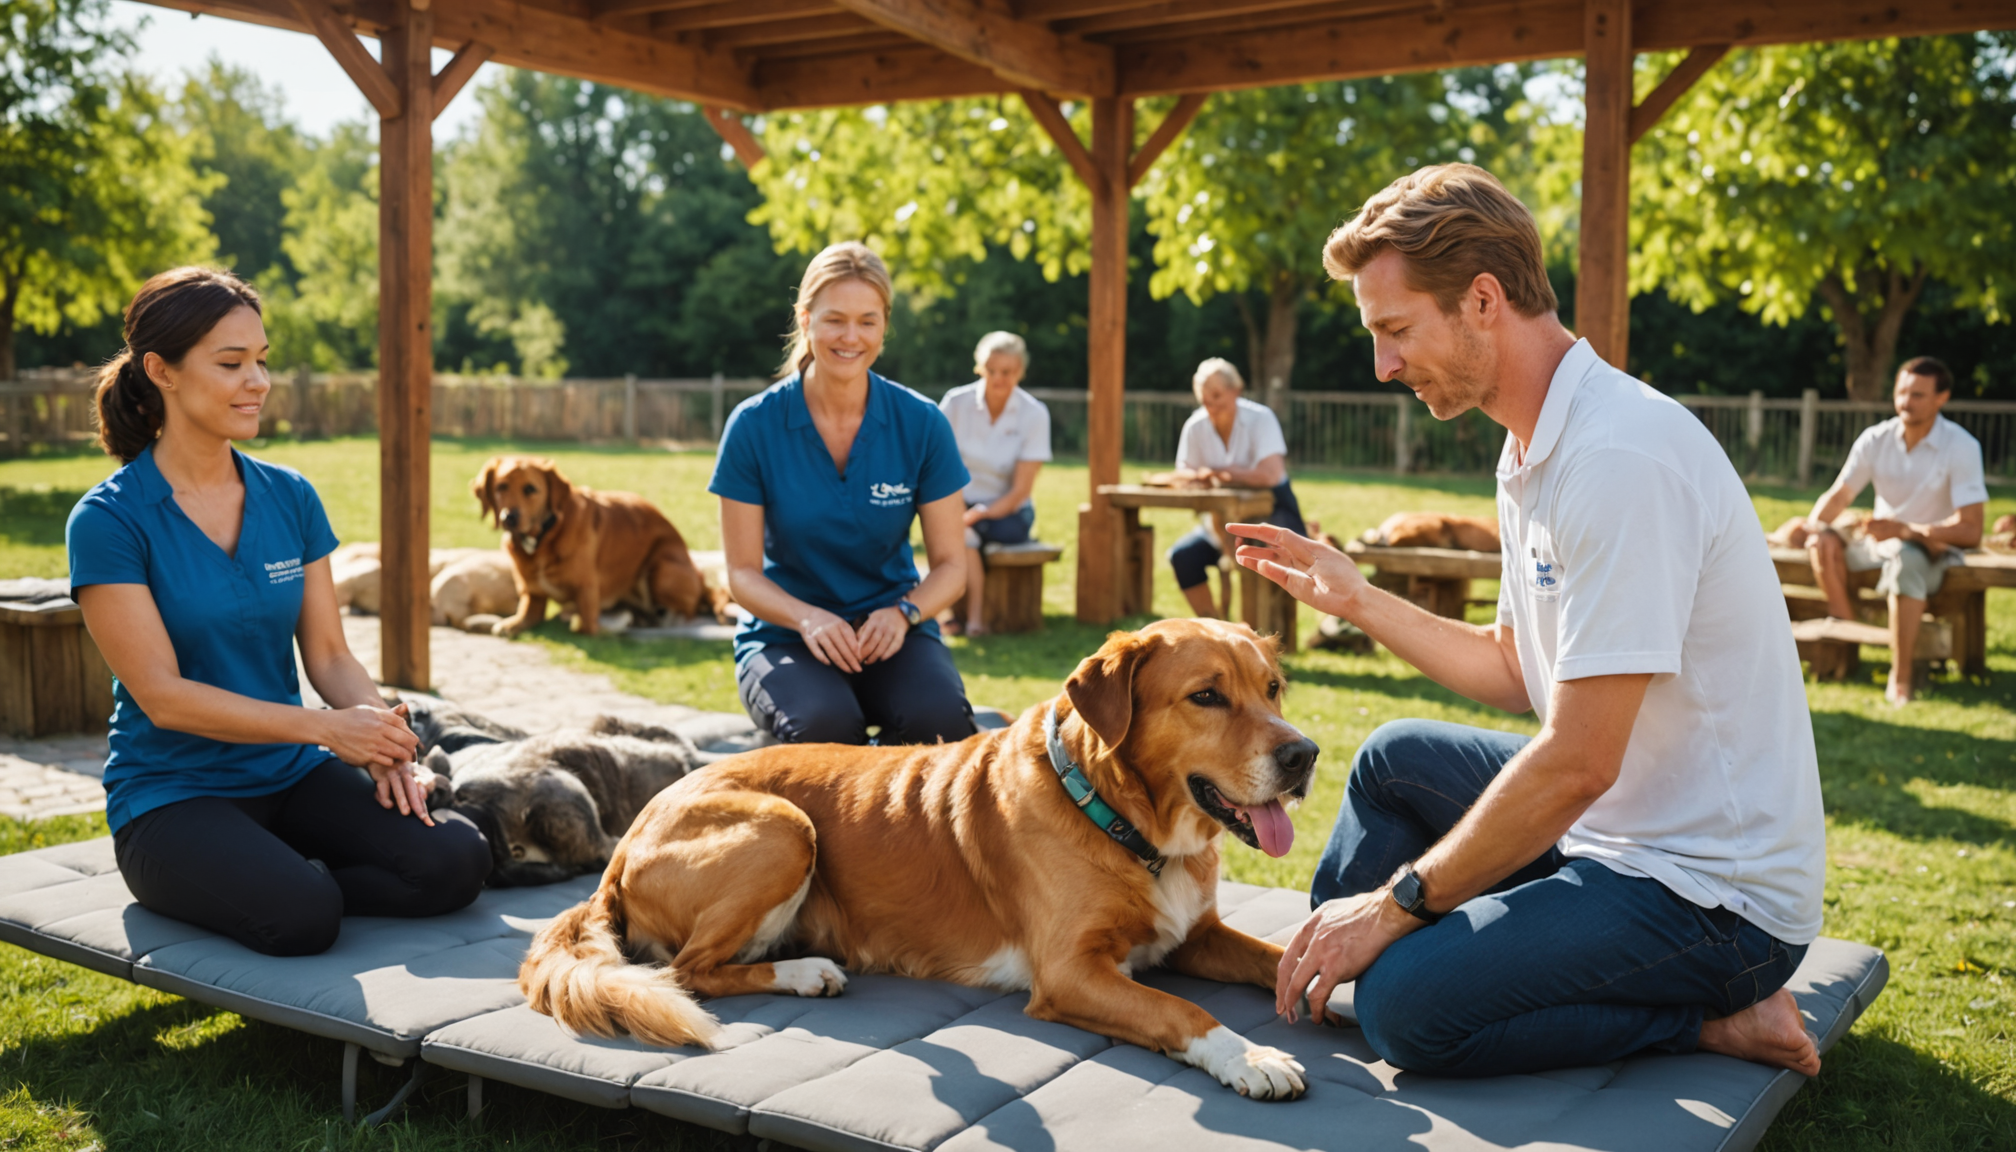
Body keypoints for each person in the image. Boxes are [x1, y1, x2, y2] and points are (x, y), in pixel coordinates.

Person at [1227, 164, 1827, 1080]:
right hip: (1613, 828)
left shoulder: (1618, 457)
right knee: (1392, 759)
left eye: (1394, 330)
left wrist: (1397, 909)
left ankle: (1708, 1020)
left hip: (1712, 897)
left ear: (1481, 300)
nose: (1382, 365)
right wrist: (1357, 598)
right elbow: (1518, 666)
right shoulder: (1531, 449)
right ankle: (1402, 950)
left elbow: (1580, 759)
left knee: (1405, 1007)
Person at [67, 267, 490, 958]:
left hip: (287, 774)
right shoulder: (109, 521)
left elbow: (328, 656)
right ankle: (283, 880)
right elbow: (163, 697)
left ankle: (286, 870)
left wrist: (383, 743)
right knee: (303, 917)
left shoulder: (290, 497)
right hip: (172, 797)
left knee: (458, 860)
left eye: (261, 360)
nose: (258, 381)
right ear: (160, 371)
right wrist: (328, 731)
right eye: (232, 363)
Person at [711, 242, 976, 745]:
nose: (851, 337)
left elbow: (951, 567)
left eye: (867, 321)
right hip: (786, 633)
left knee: (939, 724)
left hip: (892, 629)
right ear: (805, 318)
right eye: (835, 320)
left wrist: (904, 614)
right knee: (824, 729)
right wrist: (807, 617)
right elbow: (742, 575)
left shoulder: (921, 423)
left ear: (884, 325)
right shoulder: (753, 425)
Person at [1801, 357, 1986, 704]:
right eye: (1901, 392)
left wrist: (1907, 530)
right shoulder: (1876, 438)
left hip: (1934, 552)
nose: (1905, 402)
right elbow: (1841, 493)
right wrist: (1815, 525)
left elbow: (1971, 530)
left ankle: (1899, 679)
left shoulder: (1961, 446)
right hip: (1877, 546)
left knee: (1905, 559)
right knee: (1821, 541)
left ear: (1941, 398)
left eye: (1917, 394)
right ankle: (1847, 636)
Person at [1167, 358, 1307, 618]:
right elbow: (1183, 473)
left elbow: (1270, 474)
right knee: (1182, 557)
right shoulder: (1195, 426)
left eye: (1217, 395)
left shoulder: (1261, 419)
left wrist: (1221, 475)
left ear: (1236, 390)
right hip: (1221, 524)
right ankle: (1216, 629)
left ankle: (1260, 634)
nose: (1210, 404)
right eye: (1204, 398)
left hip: (1274, 519)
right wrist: (1197, 476)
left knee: (1254, 557)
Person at [937, 331, 1051, 636]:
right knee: (963, 532)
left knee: (963, 532)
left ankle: (961, 616)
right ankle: (974, 619)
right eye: (991, 370)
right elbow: (937, 463)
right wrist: (958, 508)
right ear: (979, 367)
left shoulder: (1034, 413)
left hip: (1009, 512)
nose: (998, 379)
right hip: (958, 500)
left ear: (1020, 372)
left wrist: (980, 513)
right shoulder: (955, 403)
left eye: (1008, 372)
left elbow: (1021, 491)